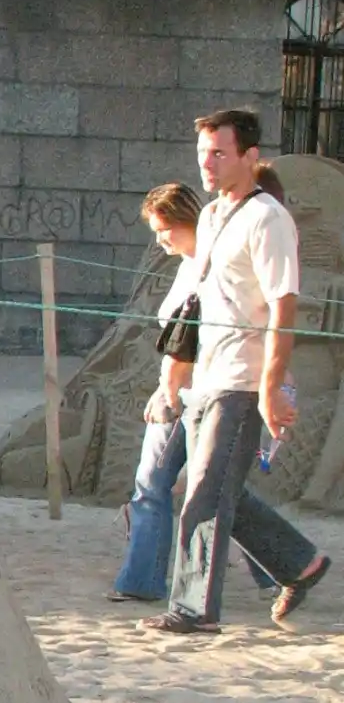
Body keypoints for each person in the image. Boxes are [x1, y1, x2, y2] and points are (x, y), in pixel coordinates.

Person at [150, 107, 329, 635]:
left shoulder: (269, 218)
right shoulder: (209, 216)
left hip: (243, 380)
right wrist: (178, 369)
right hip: (207, 375)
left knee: (205, 494)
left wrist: (271, 388)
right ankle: (300, 562)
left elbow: (283, 306)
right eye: (202, 153)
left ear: (249, 157)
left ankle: (193, 609)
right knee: (210, 487)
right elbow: (204, 300)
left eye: (218, 153)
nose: (207, 163)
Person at [109, 181, 272, 604]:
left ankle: (142, 579)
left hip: (196, 392)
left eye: (164, 229)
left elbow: (189, 342)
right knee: (216, 487)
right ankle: (287, 563)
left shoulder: (207, 267)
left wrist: (168, 392)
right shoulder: (191, 265)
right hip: (195, 388)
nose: (160, 240)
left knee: (154, 483)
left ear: (185, 221)